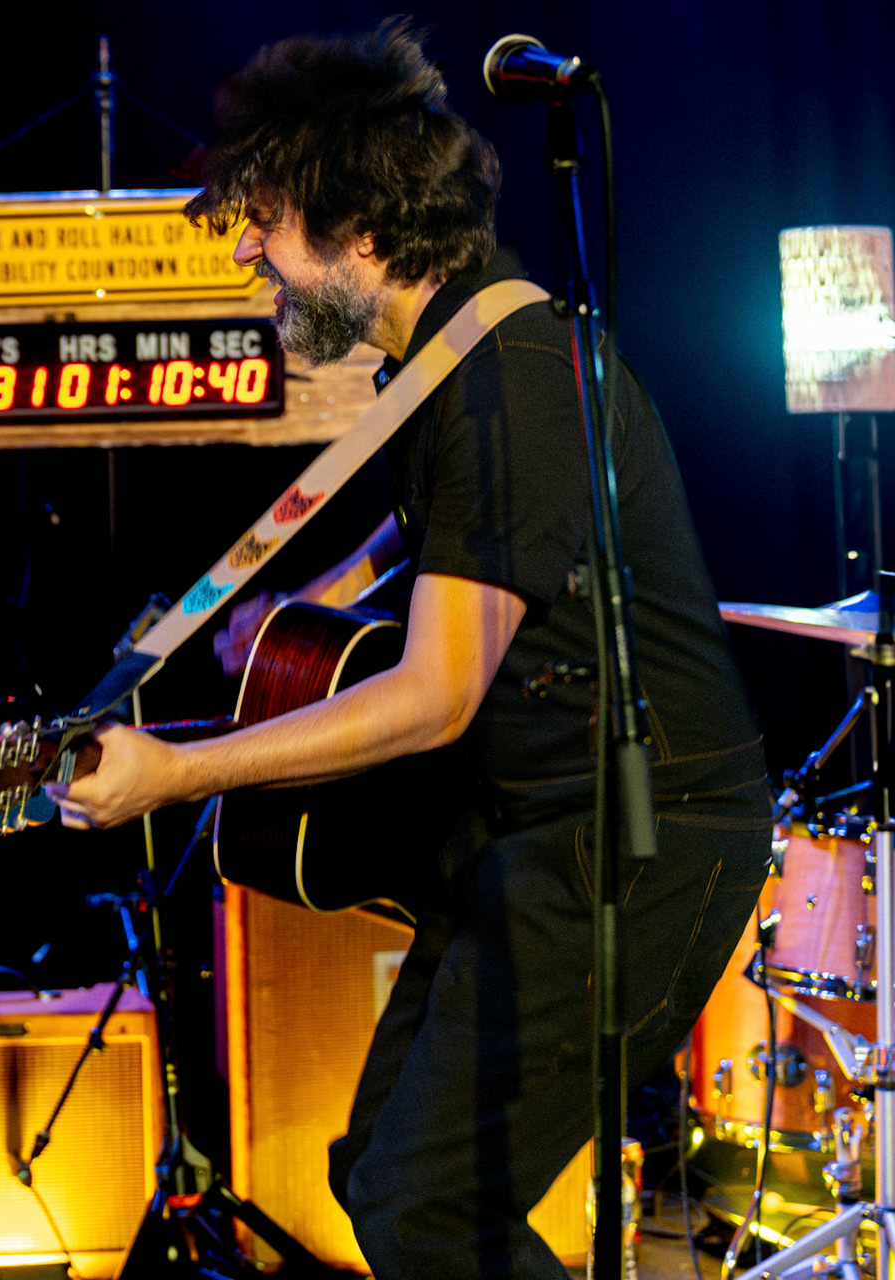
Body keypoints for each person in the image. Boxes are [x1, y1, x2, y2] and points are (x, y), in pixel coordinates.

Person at [46, 21, 772, 1278]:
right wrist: (311, 597)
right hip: (525, 833)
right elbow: (453, 527)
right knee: (380, 1173)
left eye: (269, 221)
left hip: (635, 842)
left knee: (429, 1207)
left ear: (367, 236)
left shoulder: (514, 378)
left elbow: (435, 694)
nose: (246, 250)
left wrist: (178, 772)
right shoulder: (449, 370)